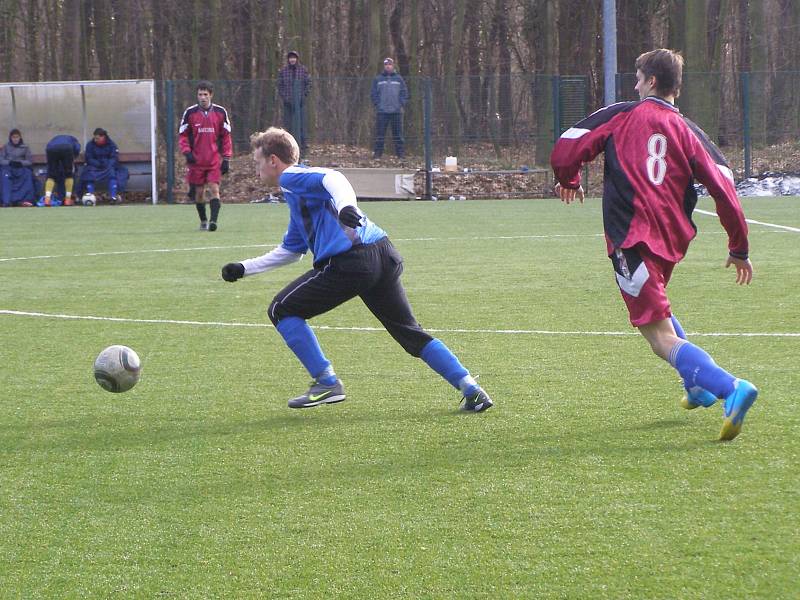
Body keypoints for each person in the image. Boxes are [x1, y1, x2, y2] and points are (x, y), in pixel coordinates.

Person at [550, 48, 757, 441]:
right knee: (660, 307)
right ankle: (696, 387)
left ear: (652, 82)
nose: (634, 83)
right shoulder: (692, 132)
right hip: (671, 240)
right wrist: (738, 246)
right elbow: (725, 188)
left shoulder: (625, 114)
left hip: (631, 239)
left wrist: (569, 178)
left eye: (638, 77)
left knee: (659, 337)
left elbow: (569, 142)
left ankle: (732, 389)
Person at [220, 127, 493, 412]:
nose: (256, 169)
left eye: (257, 162)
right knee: (410, 333)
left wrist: (346, 205)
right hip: (383, 254)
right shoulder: (300, 201)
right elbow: (291, 250)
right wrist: (244, 268)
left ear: (273, 160)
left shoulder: (291, 177)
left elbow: (333, 178)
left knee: (281, 310)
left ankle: (326, 382)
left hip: (353, 263)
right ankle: (470, 388)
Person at [179, 80, 232, 231]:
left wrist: (226, 158)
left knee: (214, 189)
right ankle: (203, 221)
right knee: (199, 193)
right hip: (196, 160)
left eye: (205, 94)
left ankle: (213, 222)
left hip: (214, 160)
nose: (202, 97)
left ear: (211, 95)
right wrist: (187, 152)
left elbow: (226, 136)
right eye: (200, 94)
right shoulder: (190, 113)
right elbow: (183, 135)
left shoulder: (220, 112)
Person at [78, 127, 129, 204]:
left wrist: (107, 163)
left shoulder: (111, 144)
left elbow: (114, 158)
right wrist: (97, 163)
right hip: (94, 166)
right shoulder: (90, 145)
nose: (95, 140)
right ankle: (90, 196)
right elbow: (89, 158)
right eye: (95, 138)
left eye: (97, 138)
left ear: (103, 137)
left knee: (112, 172)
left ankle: (113, 197)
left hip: (108, 166)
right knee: (88, 173)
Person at [370, 57, 408, 159]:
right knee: (380, 135)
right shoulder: (378, 79)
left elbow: (404, 93)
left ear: (393, 65)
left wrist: (400, 104)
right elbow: (373, 94)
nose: (388, 66)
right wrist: (378, 104)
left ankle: (401, 155)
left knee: (398, 135)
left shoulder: (399, 79)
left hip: (396, 112)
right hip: (382, 112)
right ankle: (377, 155)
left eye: (390, 64)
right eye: (386, 64)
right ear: (384, 66)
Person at [277, 50, 311, 157]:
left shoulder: (303, 70)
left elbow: (308, 84)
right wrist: (285, 98)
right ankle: (288, 146)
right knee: (288, 125)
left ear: (297, 59)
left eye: (294, 58)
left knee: (301, 126)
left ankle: (303, 148)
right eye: (290, 58)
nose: (292, 60)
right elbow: (280, 86)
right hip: (288, 103)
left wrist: (303, 96)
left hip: (300, 103)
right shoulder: (283, 71)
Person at [0, 129, 36, 207]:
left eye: (17, 137)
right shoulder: (6, 147)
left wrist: (20, 163)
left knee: (28, 174)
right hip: (8, 168)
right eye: (13, 137)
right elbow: (1, 160)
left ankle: (25, 200)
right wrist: (9, 163)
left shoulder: (25, 147)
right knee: (4, 176)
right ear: (10, 138)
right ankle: (6, 201)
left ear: (20, 137)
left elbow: (29, 161)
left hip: (21, 168)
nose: (15, 139)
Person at [43, 134, 81, 206]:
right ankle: (67, 199)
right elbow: (77, 149)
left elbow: (47, 148)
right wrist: (73, 158)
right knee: (69, 175)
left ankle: (47, 199)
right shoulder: (74, 141)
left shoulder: (54, 139)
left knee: (51, 175)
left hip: (51, 149)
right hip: (66, 148)